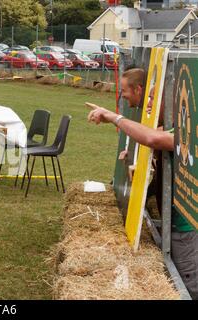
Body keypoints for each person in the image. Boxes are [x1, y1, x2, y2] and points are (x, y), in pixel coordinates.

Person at [87, 69, 198, 299]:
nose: (149, 103)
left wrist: (114, 117)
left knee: (188, 286)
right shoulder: (170, 125)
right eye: (148, 97)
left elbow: (153, 139)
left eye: (154, 98)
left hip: (186, 228)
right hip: (176, 223)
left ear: (173, 100)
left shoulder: (188, 129)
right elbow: (150, 136)